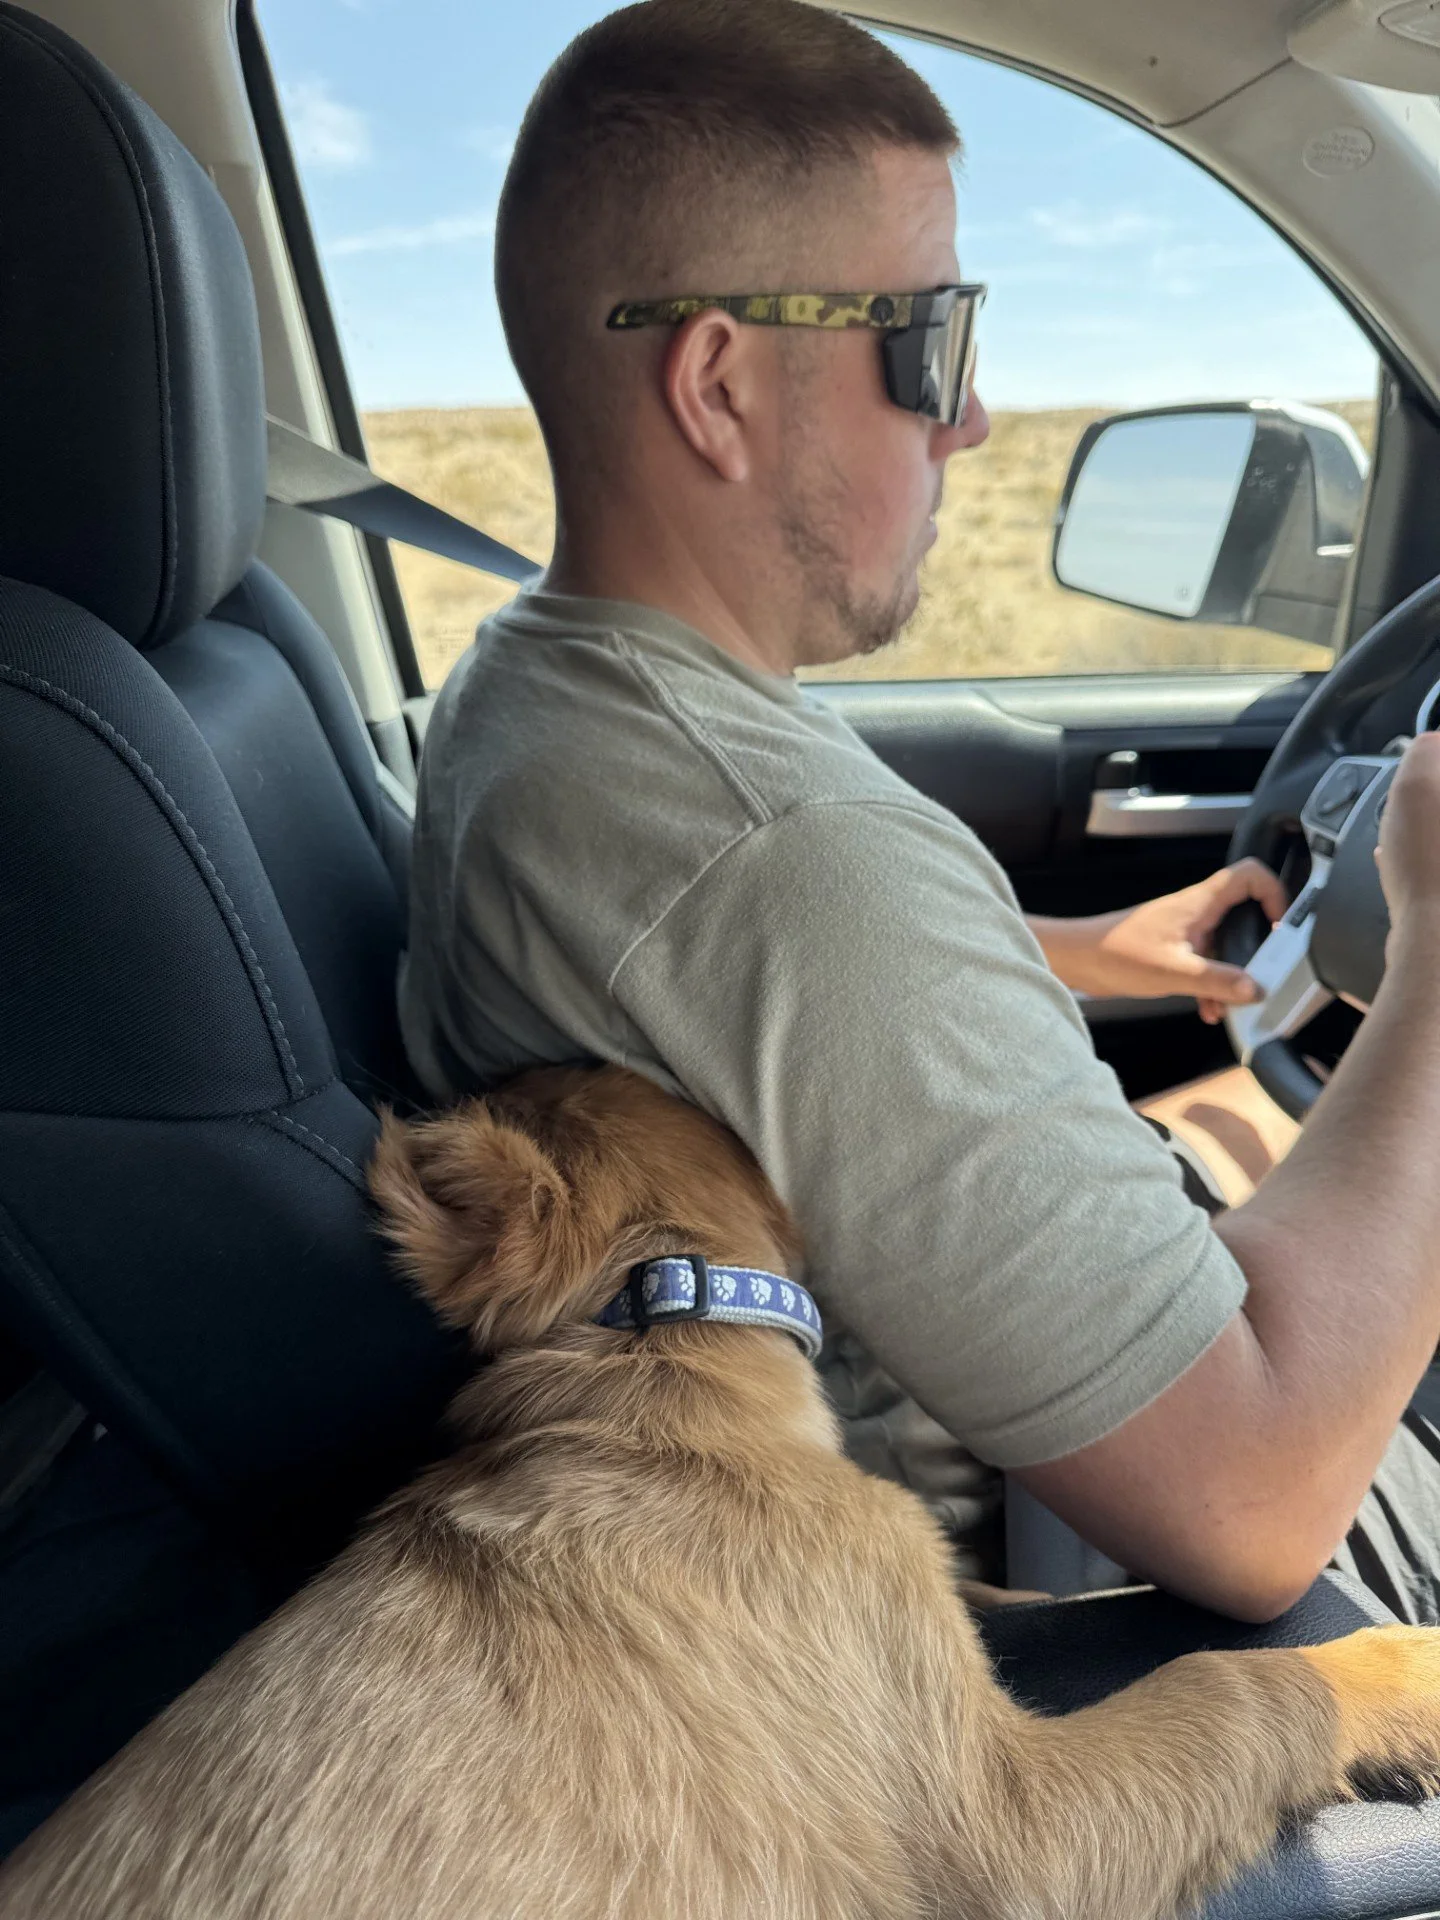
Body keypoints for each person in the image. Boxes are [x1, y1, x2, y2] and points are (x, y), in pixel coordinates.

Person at [400, 0, 1440, 1623]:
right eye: (931, 343)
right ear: (721, 386)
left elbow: (742, 997)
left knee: (1236, 1130)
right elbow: (1261, 1503)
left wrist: (1075, 953)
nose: (965, 421)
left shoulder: (538, 700)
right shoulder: (790, 861)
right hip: (1055, 1603)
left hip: (977, 1452)